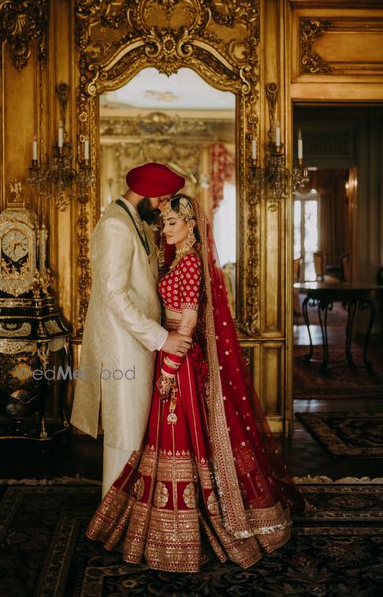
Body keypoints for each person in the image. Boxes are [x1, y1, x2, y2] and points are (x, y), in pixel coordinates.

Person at [85, 194, 308, 572]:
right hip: (170, 352)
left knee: (181, 437)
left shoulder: (189, 265)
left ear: (191, 226)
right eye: (164, 222)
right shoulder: (180, 261)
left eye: (173, 223)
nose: (165, 229)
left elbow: (187, 323)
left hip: (179, 357)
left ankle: (191, 527)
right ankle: (169, 525)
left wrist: (169, 369)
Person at [71, 164, 193, 497]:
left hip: (138, 342)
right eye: (162, 199)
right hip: (124, 345)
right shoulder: (115, 225)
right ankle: (112, 515)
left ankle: (131, 512)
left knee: (137, 431)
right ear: (148, 193)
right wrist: (162, 338)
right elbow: (114, 294)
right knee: (125, 433)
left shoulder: (134, 221)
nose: (163, 206)